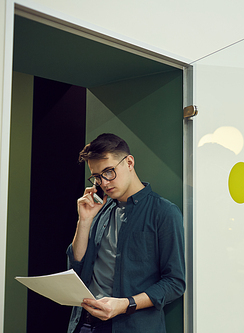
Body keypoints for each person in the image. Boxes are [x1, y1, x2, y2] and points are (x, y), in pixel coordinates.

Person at [66, 133, 185, 333]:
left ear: (129, 162)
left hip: (132, 325)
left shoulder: (164, 212)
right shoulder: (99, 208)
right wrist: (84, 221)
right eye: (96, 176)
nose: (103, 182)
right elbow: (76, 265)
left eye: (109, 172)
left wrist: (125, 304)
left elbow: (174, 282)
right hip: (84, 323)